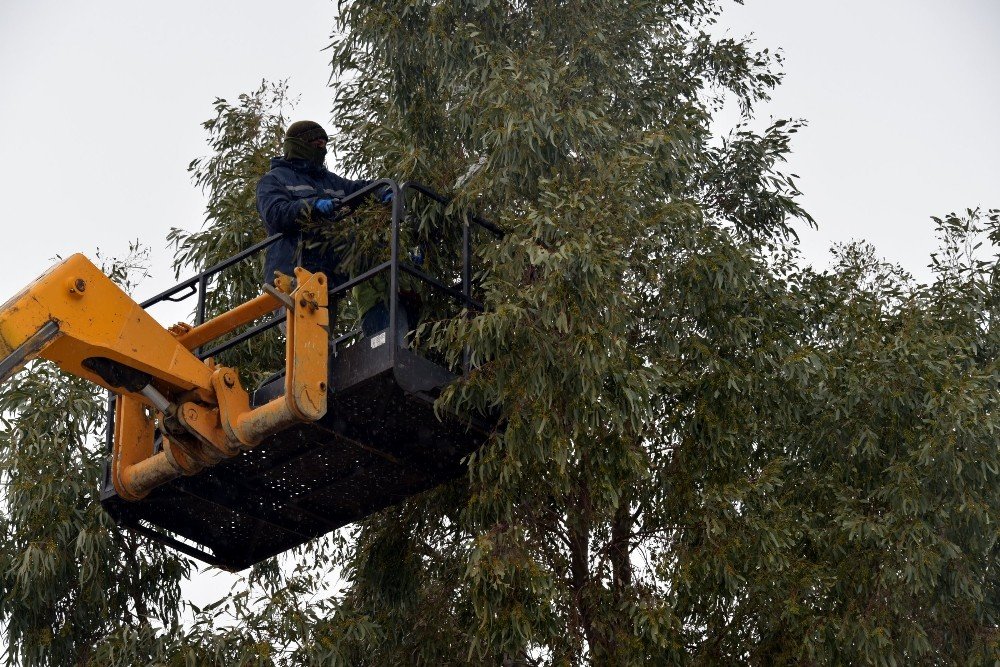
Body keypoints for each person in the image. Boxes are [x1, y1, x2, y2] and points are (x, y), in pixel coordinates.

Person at [256, 120, 374, 290]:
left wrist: (382, 190)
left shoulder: (330, 180)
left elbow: (357, 190)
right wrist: (313, 206)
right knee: (292, 316)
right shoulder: (273, 179)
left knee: (324, 317)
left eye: (324, 145)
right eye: (317, 144)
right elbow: (275, 214)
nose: (322, 150)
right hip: (290, 275)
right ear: (299, 145)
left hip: (327, 279)